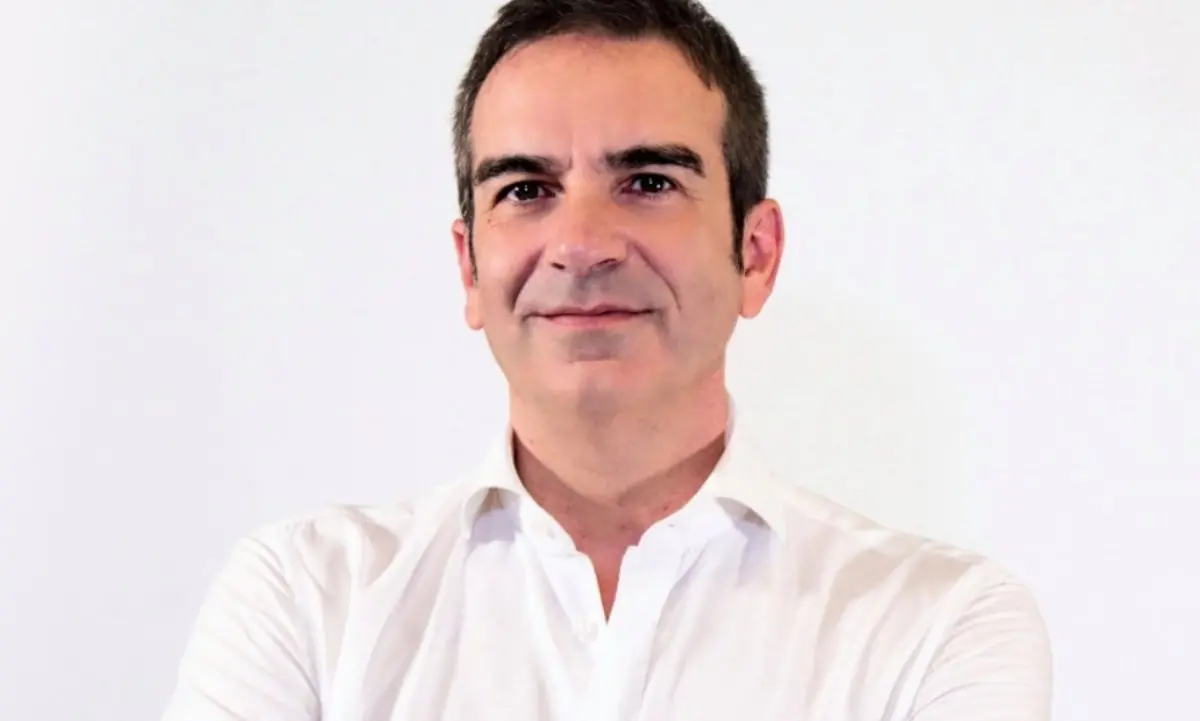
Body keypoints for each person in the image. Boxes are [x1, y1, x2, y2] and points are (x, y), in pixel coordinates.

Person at [161, 0, 1052, 719]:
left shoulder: (936, 626)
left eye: (650, 182)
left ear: (756, 253)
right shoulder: (305, 599)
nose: (581, 244)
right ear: (469, 267)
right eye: (526, 189)